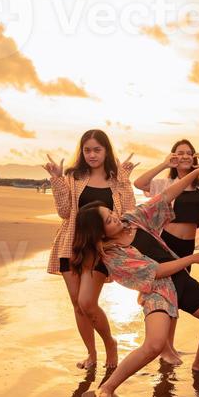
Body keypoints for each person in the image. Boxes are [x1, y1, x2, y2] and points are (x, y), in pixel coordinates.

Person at [70, 163, 199, 397]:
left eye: (111, 213)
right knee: (154, 344)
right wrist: (193, 258)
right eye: (109, 220)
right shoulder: (114, 257)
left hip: (182, 281)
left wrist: (195, 174)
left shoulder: (133, 220)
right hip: (158, 292)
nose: (116, 218)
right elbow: (156, 272)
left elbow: (164, 197)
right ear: (99, 232)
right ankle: (108, 387)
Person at [43, 130, 138, 370]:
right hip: (72, 245)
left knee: (88, 303)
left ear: (106, 151)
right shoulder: (75, 176)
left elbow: (129, 212)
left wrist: (125, 179)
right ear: (81, 151)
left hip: (101, 250)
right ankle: (91, 354)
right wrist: (56, 179)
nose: (92, 155)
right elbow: (65, 212)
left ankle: (110, 343)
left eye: (97, 149)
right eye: (87, 150)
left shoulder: (117, 179)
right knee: (77, 304)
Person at [134, 139, 199, 364]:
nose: (184, 156)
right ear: (173, 156)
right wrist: (164, 164)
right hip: (167, 243)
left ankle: (169, 346)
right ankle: (164, 348)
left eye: (188, 153)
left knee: (177, 295)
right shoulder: (167, 183)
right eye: (179, 153)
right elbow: (139, 182)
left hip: (188, 247)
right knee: (166, 294)